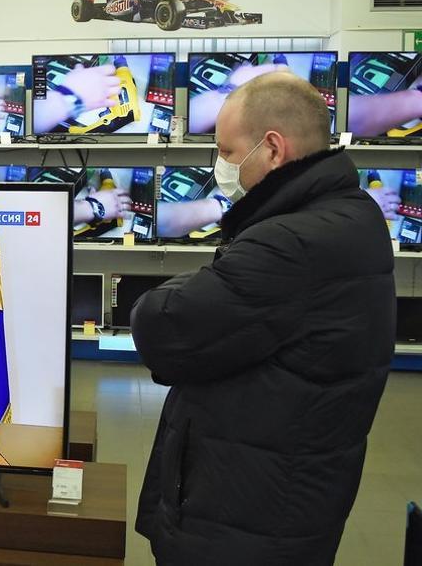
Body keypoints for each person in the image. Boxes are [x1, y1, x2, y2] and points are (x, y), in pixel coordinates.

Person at [132, 73, 394, 564]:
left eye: (227, 152)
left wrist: (185, 284)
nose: (220, 167)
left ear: (273, 149)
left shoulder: (291, 243)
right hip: (290, 494)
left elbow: (163, 328)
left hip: (245, 516)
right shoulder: (349, 213)